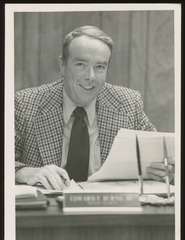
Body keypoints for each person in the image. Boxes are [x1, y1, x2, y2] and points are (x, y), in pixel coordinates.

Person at [15, 25, 174, 190]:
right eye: (80, 65)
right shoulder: (26, 103)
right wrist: (25, 172)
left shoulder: (127, 103)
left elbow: (159, 159)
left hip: (109, 210)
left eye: (99, 67)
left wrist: (170, 171)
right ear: (63, 65)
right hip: (49, 211)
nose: (90, 77)